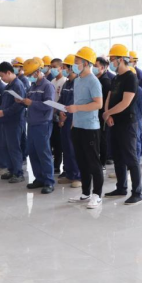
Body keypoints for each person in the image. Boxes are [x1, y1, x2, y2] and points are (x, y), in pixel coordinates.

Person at [103, 44, 142, 205]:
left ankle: (137, 192)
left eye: (112, 59)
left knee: (130, 158)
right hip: (114, 122)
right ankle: (121, 187)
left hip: (127, 123)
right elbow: (109, 97)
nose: (111, 62)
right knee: (118, 157)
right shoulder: (116, 78)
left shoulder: (130, 77)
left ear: (120, 59)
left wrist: (108, 113)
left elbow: (126, 102)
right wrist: (108, 113)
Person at [66, 47, 104, 209]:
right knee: (81, 161)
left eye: (77, 62)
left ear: (87, 63)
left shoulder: (93, 81)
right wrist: (74, 121)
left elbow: (98, 104)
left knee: (93, 162)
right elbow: (78, 102)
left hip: (90, 128)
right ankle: (85, 192)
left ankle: (97, 195)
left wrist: (77, 109)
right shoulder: (77, 80)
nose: (75, 65)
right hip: (77, 126)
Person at [16, 58, 56, 194]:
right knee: (33, 153)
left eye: (30, 74)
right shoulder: (33, 87)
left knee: (44, 153)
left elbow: (49, 105)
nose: (28, 77)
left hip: (43, 124)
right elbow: (30, 103)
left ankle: (49, 181)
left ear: (38, 72)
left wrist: (31, 103)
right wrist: (22, 102)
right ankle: (39, 178)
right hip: (32, 123)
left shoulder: (47, 86)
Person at [0, 61, 27, 184]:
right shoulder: (8, 86)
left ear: (9, 72)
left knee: (14, 148)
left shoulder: (18, 85)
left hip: (15, 121)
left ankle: (18, 173)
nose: (1, 78)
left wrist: (4, 112)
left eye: (2, 76)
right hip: (6, 121)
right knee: (7, 147)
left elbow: (18, 106)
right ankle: (11, 170)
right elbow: (5, 103)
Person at [58, 54, 81, 188]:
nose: (64, 70)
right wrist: (60, 113)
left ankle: (78, 176)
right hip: (64, 119)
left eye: (65, 67)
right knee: (66, 148)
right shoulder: (66, 83)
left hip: (73, 120)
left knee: (74, 149)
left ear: (72, 68)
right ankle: (69, 174)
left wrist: (65, 114)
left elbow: (76, 102)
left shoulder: (79, 83)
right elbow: (62, 100)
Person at [93, 57, 112, 168]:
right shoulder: (95, 79)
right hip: (94, 113)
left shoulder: (105, 81)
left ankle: (102, 162)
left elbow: (108, 100)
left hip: (102, 114)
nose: (94, 68)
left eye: (96, 66)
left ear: (103, 68)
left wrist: (107, 113)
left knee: (102, 139)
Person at [49, 58, 66, 175]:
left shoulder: (64, 81)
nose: (52, 69)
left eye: (54, 67)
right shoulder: (52, 81)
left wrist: (57, 111)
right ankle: (53, 164)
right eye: (51, 67)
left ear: (61, 68)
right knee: (52, 141)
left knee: (59, 143)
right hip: (51, 114)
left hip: (60, 114)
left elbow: (62, 100)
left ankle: (58, 165)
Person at [11, 56, 29, 163]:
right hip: (17, 112)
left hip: (21, 112)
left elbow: (24, 96)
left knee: (22, 136)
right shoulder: (15, 80)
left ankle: (23, 156)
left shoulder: (24, 80)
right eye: (13, 66)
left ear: (22, 67)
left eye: (16, 66)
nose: (14, 68)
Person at [128, 66, 142, 162]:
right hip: (127, 118)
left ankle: (136, 160)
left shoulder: (138, 89)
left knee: (136, 138)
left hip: (136, 117)